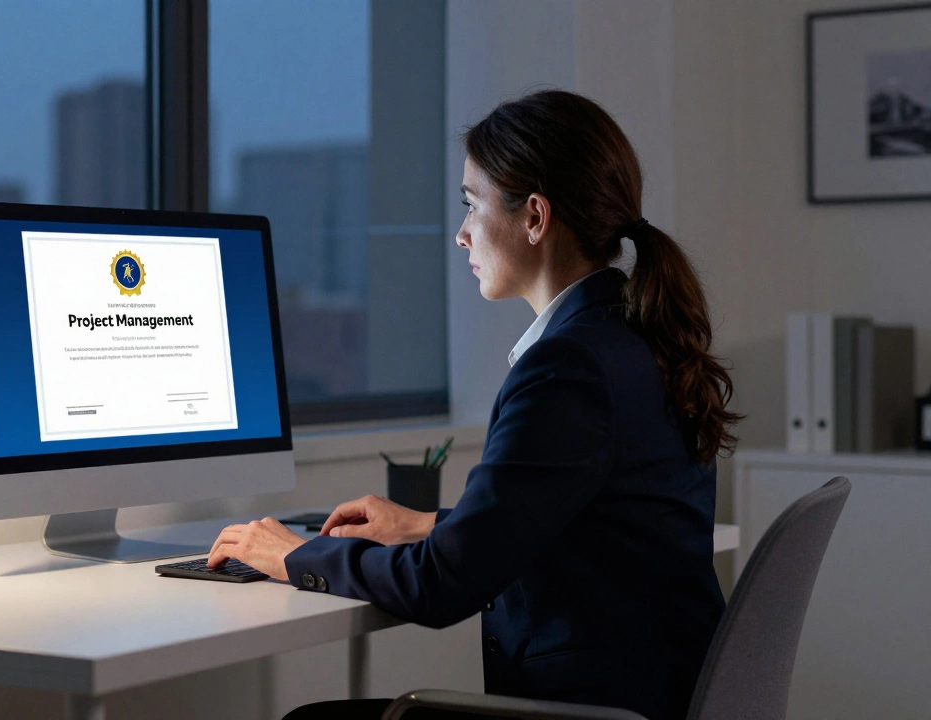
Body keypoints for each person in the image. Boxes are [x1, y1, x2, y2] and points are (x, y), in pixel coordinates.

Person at [207, 89, 742, 720]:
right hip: (651, 695)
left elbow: (441, 586)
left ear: (535, 218)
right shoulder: (634, 335)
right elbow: (587, 515)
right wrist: (428, 524)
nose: (461, 236)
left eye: (471, 205)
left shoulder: (567, 367)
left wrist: (293, 556)